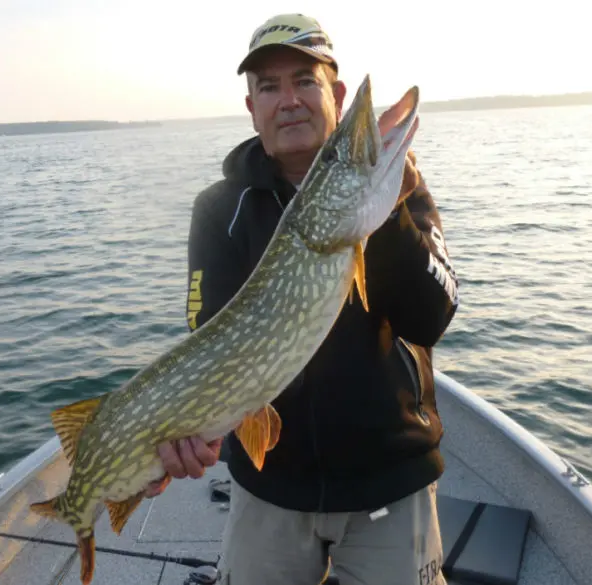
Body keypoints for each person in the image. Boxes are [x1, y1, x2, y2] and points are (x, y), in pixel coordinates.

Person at [145, 13, 459, 585]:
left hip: (390, 479)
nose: (288, 100)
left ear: (335, 96)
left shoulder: (396, 185)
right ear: (252, 109)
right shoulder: (219, 209)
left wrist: (384, 218)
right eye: (269, 86)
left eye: (304, 81)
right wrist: (183, 435)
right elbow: (210, 346)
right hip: (270, 490)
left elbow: (432, 316)